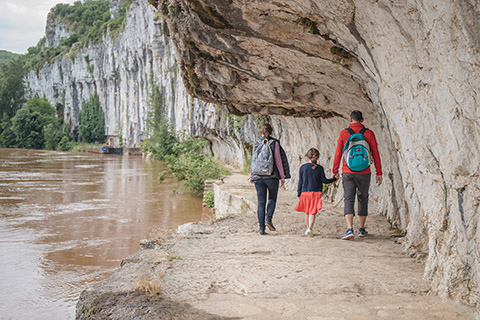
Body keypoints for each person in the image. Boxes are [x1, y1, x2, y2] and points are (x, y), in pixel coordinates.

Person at [333, 110, 382, 240]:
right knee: (363, 198)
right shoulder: (369, 133)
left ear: (350, 119)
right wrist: (379, 172)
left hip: (347, 172)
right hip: (365, 172)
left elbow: (338, 153)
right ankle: (361, 228)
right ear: (362, 119)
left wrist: (335, 170)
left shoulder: (344, 133)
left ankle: (349, 229)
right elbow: (375, 153)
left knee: (348, 198)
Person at [250, 124, 290, 235]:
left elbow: (253, 160)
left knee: (261, 202)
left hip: (258, 176)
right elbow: (278, 160)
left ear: (260, 132)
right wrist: (282, 176)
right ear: (271, 132)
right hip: (272, 177)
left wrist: (252, 175)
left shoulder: (257, 143)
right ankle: (268, 219)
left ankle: (261, 228)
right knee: (272, 198)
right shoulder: (274, 143)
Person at [295, 148, 337, 237]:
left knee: (307, 212)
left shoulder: (302, 167)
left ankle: (308, 228)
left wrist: (299, 193)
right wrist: (334, 179)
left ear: (307, 157)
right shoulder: (320, 168)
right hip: (316, 193)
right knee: (312, 212)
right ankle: (310, 228)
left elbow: (300, 182)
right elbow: (324, 181)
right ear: (318, 158)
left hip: (305, 192)